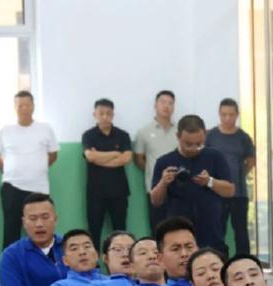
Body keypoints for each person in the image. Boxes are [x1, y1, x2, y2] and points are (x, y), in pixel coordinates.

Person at [150, 115, 235, 252]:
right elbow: (156, 201)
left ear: (205, 135)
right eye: (188, 144)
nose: (194, 148)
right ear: (178, 137)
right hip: (179, 233)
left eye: (199, 144)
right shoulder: (164, 162)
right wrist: (163, 182)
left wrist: (209, 181)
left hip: (212, 232)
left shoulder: (215, 157)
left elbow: (230, 191)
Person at [0, 91, 59, 249]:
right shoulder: (5, 130)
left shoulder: (45, 128)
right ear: (14, 107)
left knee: (41, 230)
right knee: (11, 231)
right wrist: (9, 171)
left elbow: (53, 155)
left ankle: (43, 263)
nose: (24, 108)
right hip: (12, 187)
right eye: (20, 105)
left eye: (27, 105)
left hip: (39, 188)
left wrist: (38, 168)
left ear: (33, 106)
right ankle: (10, 264)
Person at [206, 98, 256, 255]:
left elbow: (251, 161)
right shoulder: (210, 135)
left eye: (231, 115)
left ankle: (244, 261)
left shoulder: (244, 137)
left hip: (239, 193)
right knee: (216, 231)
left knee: (241, 232)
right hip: (216, 193)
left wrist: (238, 175)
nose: (227, 118)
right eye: (223, 115)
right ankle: (218, 261)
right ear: (219, 114)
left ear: (237, 115)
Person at [82, 99, 133, 246]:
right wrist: (115, 153)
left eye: (108, 113)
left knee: (120, 232)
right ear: (95, 114)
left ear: (113, 115)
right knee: (94, 233)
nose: (105, 117)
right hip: (95, 192)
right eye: (101, 113)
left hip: (119, 192)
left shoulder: (123, 135)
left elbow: (126, 158)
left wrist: (99, 157)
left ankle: (122, 260)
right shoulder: (88, 135)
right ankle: (94, 261)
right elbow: (90, 157)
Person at [134, 90, 178, 231]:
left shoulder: (180, 131)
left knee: (178, 228)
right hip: (155, 189)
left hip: (179, 188)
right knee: (158, 229)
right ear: (155, 105)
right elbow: (139, 159)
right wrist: (154, 172)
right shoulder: (144, 132)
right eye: (162, 102)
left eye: (170, 103)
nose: (166, 106)